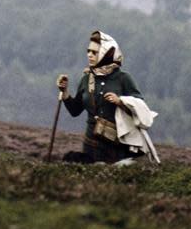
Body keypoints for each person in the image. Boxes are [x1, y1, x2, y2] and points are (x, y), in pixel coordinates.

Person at [56, 29, 145, 164]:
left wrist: (120, 101)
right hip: (90, 145)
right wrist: (65, 91)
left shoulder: (123, 79)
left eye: (94, 52)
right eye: (88, 51)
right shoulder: (86, 79)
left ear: (106, 53)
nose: (89, 55)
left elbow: (140, 106)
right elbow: (75, 110)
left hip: (117, 146)